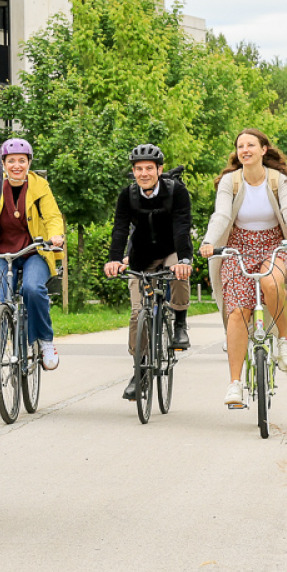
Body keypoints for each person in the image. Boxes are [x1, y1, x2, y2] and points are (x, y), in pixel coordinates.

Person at [200, 127, 287, 409]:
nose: (245, 150)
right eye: (240, 146)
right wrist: (208, 241)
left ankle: (284, 340)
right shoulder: (231, 181)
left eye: (251, 145)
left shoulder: (278, 181)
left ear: (264, 149)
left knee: (271, 282)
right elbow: (222, 215)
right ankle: (235, 384)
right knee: (238, 312)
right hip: (237, 247)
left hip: (274, 245)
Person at [102, 144, 194, 401]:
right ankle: (140, 368)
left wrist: (184, 259)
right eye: (138, 169)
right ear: (133, 171)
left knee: (179, 272)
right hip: (141, 256)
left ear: (159, 170)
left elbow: (182, 225)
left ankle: (179, 324)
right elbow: (120, 228)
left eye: (149, 169)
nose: (144, 173)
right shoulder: (128, 195)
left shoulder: (176, 191)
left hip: (172, 250)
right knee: (136, 313)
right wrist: (114, 259)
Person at [0, 139, 66, 370]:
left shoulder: (39, 185)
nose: (16, 165)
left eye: (21, 161)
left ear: (29, 163)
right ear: (3, 163)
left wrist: (55, 236)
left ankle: (45, 341)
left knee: (33, 289)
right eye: (11, 161)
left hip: (35, 251)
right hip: (2, 255)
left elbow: (52, 216)